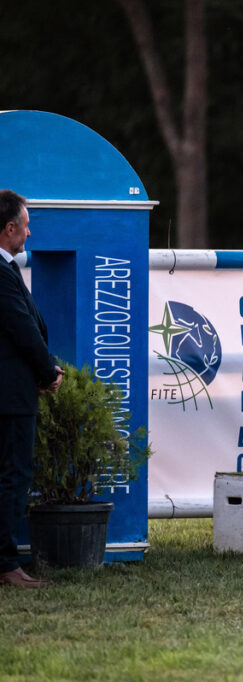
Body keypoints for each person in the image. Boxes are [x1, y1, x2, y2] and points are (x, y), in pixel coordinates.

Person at [0, 190, 63, 588]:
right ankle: (6, 565)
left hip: (12, 392)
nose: (29, 231)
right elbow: (22, 329)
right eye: (25, 225)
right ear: (9, 229)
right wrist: (48, 371)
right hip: (11, 397)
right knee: (13, 476)